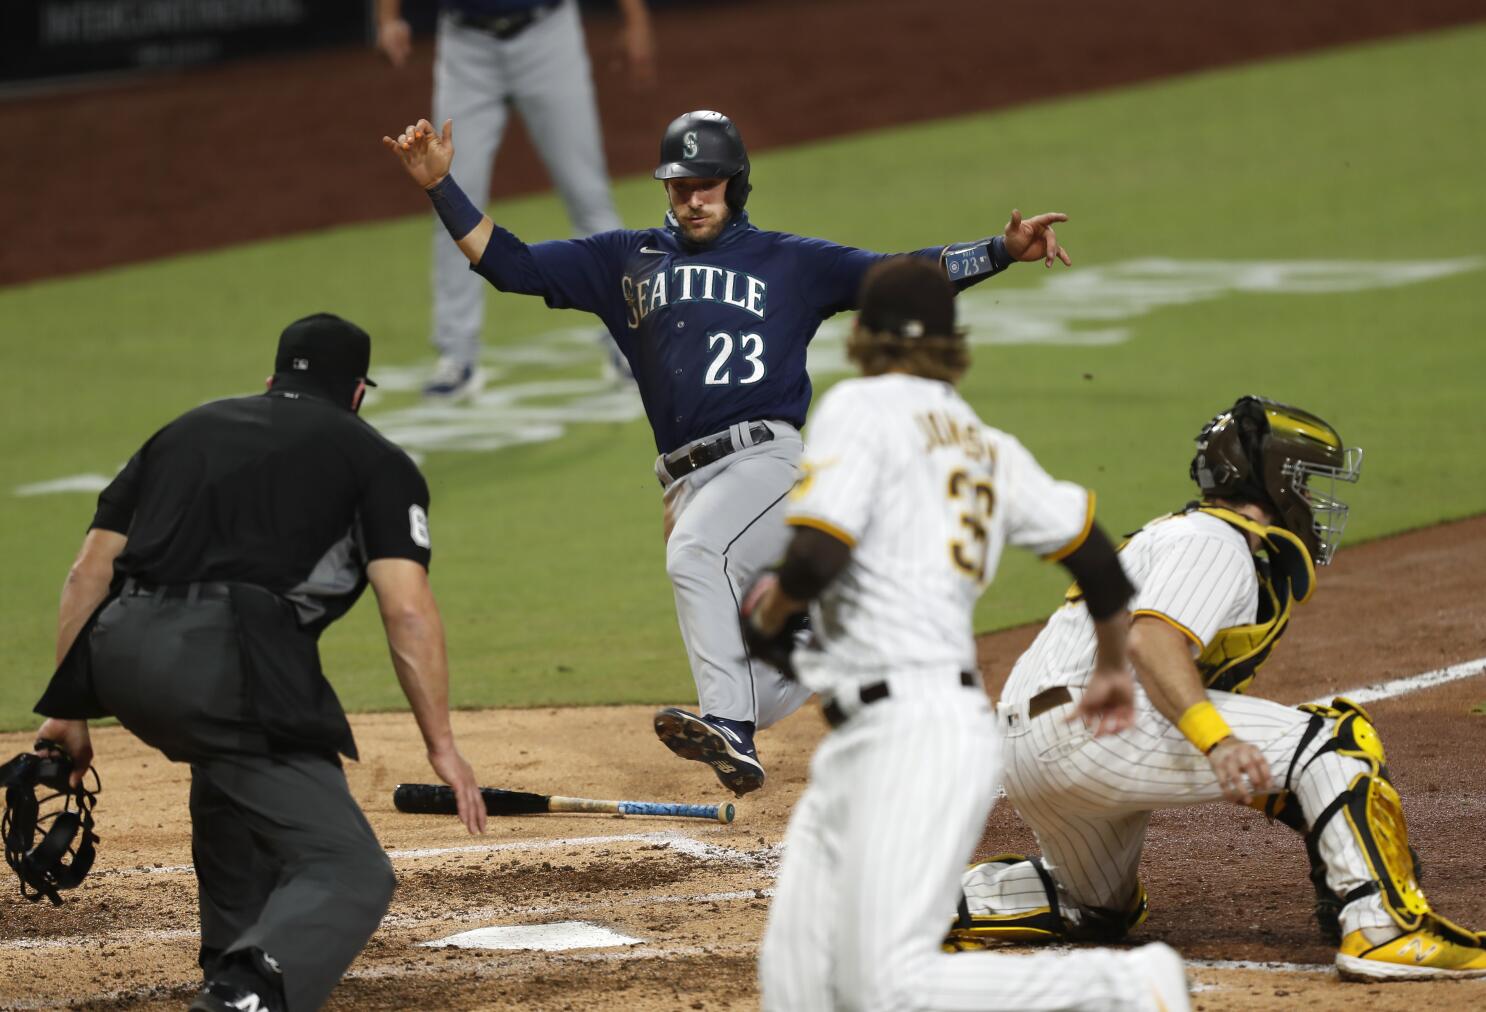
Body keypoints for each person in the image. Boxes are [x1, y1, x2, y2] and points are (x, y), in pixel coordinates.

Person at [382, 108, 1075, 797]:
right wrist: (441, 187)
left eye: (705, 184)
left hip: (765, 463)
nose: (690, 198)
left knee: (697, 557)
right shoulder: (624, 258)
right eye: (679, 185)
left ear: (735, 185)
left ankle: (730, 730)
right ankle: (822, 643)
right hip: (686, 485)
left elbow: (898, 276)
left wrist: (999, 250)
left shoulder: (790, 261)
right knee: (759, 661)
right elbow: (512, 266)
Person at [745, 257, 1190, 1011]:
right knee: (800, 982)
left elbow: (818, 554)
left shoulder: (862, 407)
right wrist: (1113, 665)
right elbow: (1096, 558)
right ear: (952, 344)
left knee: (887, 985)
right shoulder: (988, 445)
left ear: (862, 336)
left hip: (911, 737)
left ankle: (1125, 987)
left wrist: (771, 609)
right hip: (884, 737)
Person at [30, 314, 487, 1012]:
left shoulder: (182, 431)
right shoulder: (377, 459)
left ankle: (230, 955)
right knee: (350, 871)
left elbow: (88, 571)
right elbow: (408, 609)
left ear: (271, 379)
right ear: (359, 392)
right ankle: (244, 996)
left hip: (118, 650)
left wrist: (68, 710)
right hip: (225, 657)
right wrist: (443, 746)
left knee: (235, 765)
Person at [946, 396, 1486, 982]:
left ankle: (908, 905)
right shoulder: (1215, 543)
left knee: (1095, 905)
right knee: (1332, 740)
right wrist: (1218, 742)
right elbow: (1152, 643)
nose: (1312, 500)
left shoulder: (1176, 535)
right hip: (1096, 733)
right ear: (1277, 482)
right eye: (1305, 483)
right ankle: (1386, 930)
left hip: (1030, 748)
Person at [376, 0, 656, 398]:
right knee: (448, 191)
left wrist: (636, 16)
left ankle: (628, 340)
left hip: (548, 34)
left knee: (587, 194)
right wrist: (387, 19)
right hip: (465, 45)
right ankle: (457, 354)